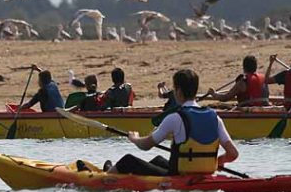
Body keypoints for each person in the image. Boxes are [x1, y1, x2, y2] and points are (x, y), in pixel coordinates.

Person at [98, 69, 238, 176]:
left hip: (179, 176)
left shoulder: (175, 117)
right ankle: (122, 173)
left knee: (127, 160)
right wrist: (215, 163)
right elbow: (233, 154)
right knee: (158, 160)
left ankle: (107, 176)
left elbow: (146, 145)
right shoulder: (215, 117)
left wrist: (134, 138)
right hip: (205, 173)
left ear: (178, 91)